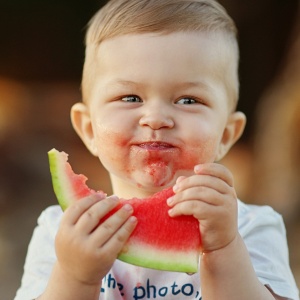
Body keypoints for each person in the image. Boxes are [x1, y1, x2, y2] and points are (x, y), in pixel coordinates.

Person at [15, 0, 299, 299]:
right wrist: (74, 277)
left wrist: (225, 249)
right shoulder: (58, 230)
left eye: (188, 100)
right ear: (88, 129)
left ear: (226, 134)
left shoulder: (252, 227)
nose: (156, 118)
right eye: (130, 97)